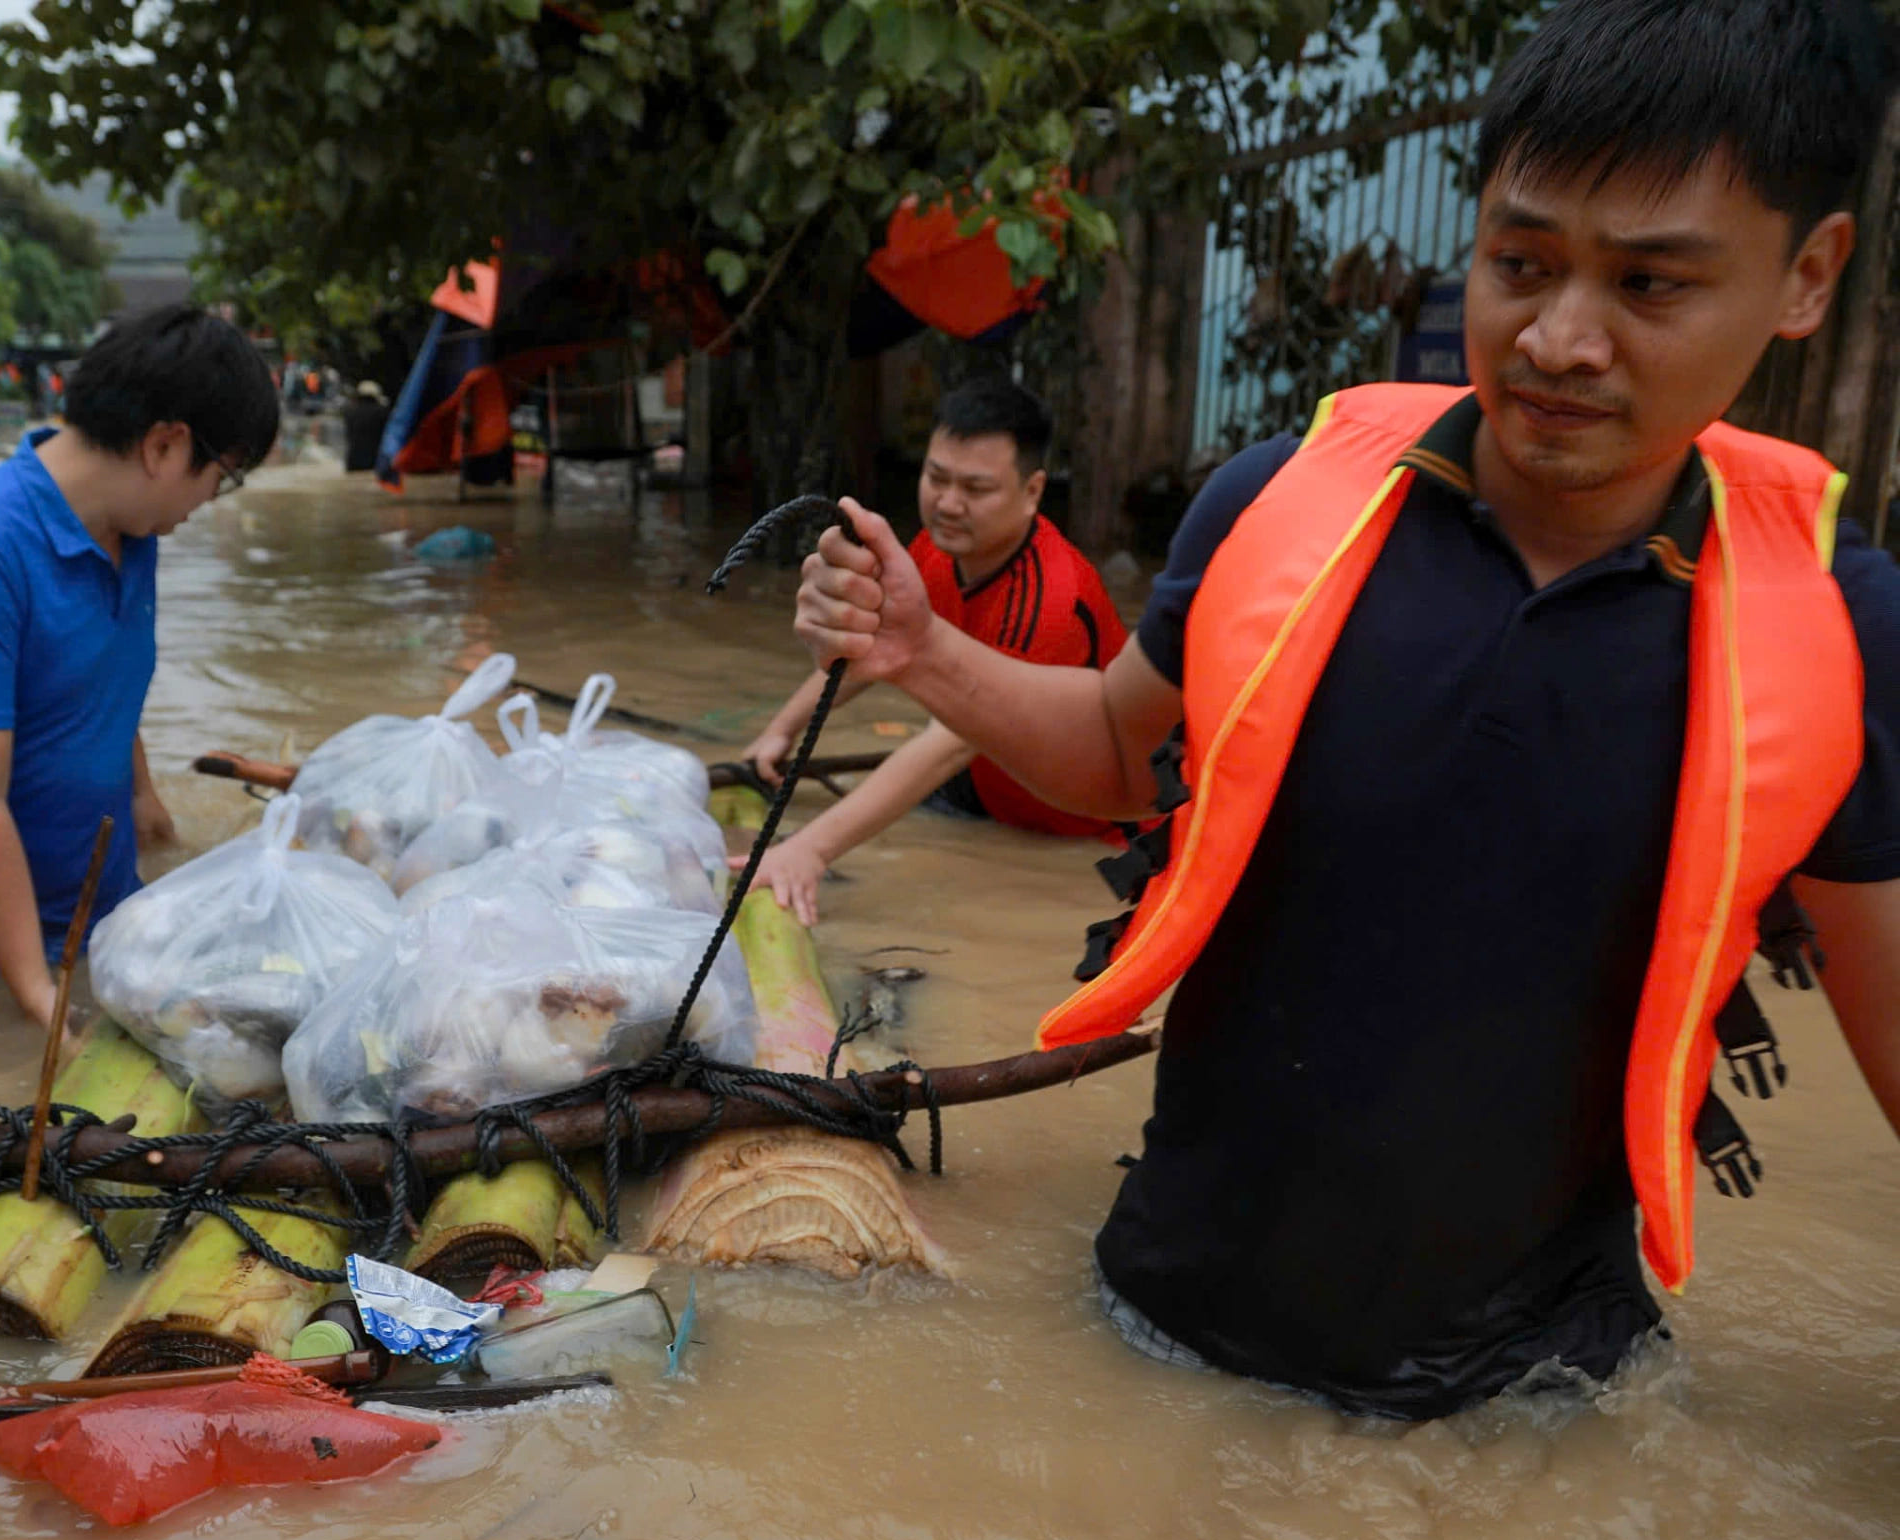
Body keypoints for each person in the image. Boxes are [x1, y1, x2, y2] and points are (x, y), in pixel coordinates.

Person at [790, 0, 1900, 1419]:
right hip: (1160, 1328)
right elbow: (1129, 755)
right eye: (1522, 262)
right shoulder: (1282, 507)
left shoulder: (1836, 630)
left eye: (1651, 286)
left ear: (1807, 277)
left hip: (1528, 1402)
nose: (1562, 338)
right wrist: (925, 649)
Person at [0, 305, 280, 1025]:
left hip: (83, 905)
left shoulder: (131, 531)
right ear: (166, 446)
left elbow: (100, 678)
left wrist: (142, 795)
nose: (209, 502)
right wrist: (37, 999)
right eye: (222, 477)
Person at [738, 379, 1131, 924]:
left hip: (1075, 826)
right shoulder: (935, 549)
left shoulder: (1054, 601)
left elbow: (953, 741)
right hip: (988, 789)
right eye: (936, 478)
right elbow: (870, 653)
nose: (948, 504)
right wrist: (783, 729)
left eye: (975, 488)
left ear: (1033, 491)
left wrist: (810, 850)